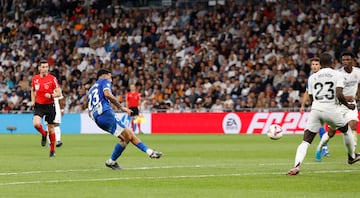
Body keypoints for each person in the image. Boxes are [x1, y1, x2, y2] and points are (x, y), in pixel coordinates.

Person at [287, 52, 360, 176]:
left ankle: (296, 166)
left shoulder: (312, 77)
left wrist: (316, 107)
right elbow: (339, 94)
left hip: (316, 109)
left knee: (306, 141)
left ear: (320, 63)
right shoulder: (337, 74)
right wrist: (348, 105)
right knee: (346, 131)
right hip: (332, 110)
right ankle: (351, 156)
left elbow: (310, 97)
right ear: (332, 62)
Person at [87, 69, 162, 170]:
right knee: (129, 134)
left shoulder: (91, 89)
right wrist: (121, 107)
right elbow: (108, 94)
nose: (111, 80)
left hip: (98, 119)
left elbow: (89, 111)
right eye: (111, 77)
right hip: (106, 114)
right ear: (106, 75)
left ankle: (111, 162)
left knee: (125, 138)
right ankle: (150, 152)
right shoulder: (105, 81)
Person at [315, 51, 360, 162]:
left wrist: (357, 95)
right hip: (338, 105)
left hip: (351, 106)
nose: (345, 62)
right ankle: (319, 148)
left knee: (353, 125)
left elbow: (358, 84)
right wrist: (347, 97)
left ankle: (352, 154)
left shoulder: (358, 72)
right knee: (331, 132)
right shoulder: (338, 74)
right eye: (343, 60)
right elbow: (334, 92)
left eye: (348, 60)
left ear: (353, 60)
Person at [31, 59, 62, 157]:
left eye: (46, 67)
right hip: (39, 105)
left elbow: (59, 93)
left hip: (50, 106)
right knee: (36, 124)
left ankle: (52, 151)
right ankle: (44, 134)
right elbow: (32, 90)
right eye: (43, 67)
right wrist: (32, 101)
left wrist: (52, 96)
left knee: (51, 129)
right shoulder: (35, 79)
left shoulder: (52, 79)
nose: (45, 69)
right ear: (39, 68)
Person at [300, 57, 330, 157]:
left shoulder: (326, 76)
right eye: (313, 64)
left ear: (320, 65)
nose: (314, 66)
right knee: (321, 127)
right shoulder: (311, 78)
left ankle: (325, 148)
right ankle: (325, 148)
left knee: (326, 127)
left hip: (328, 105)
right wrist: (303, 105)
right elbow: (307, 92)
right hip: (318, 106)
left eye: (316, 64)